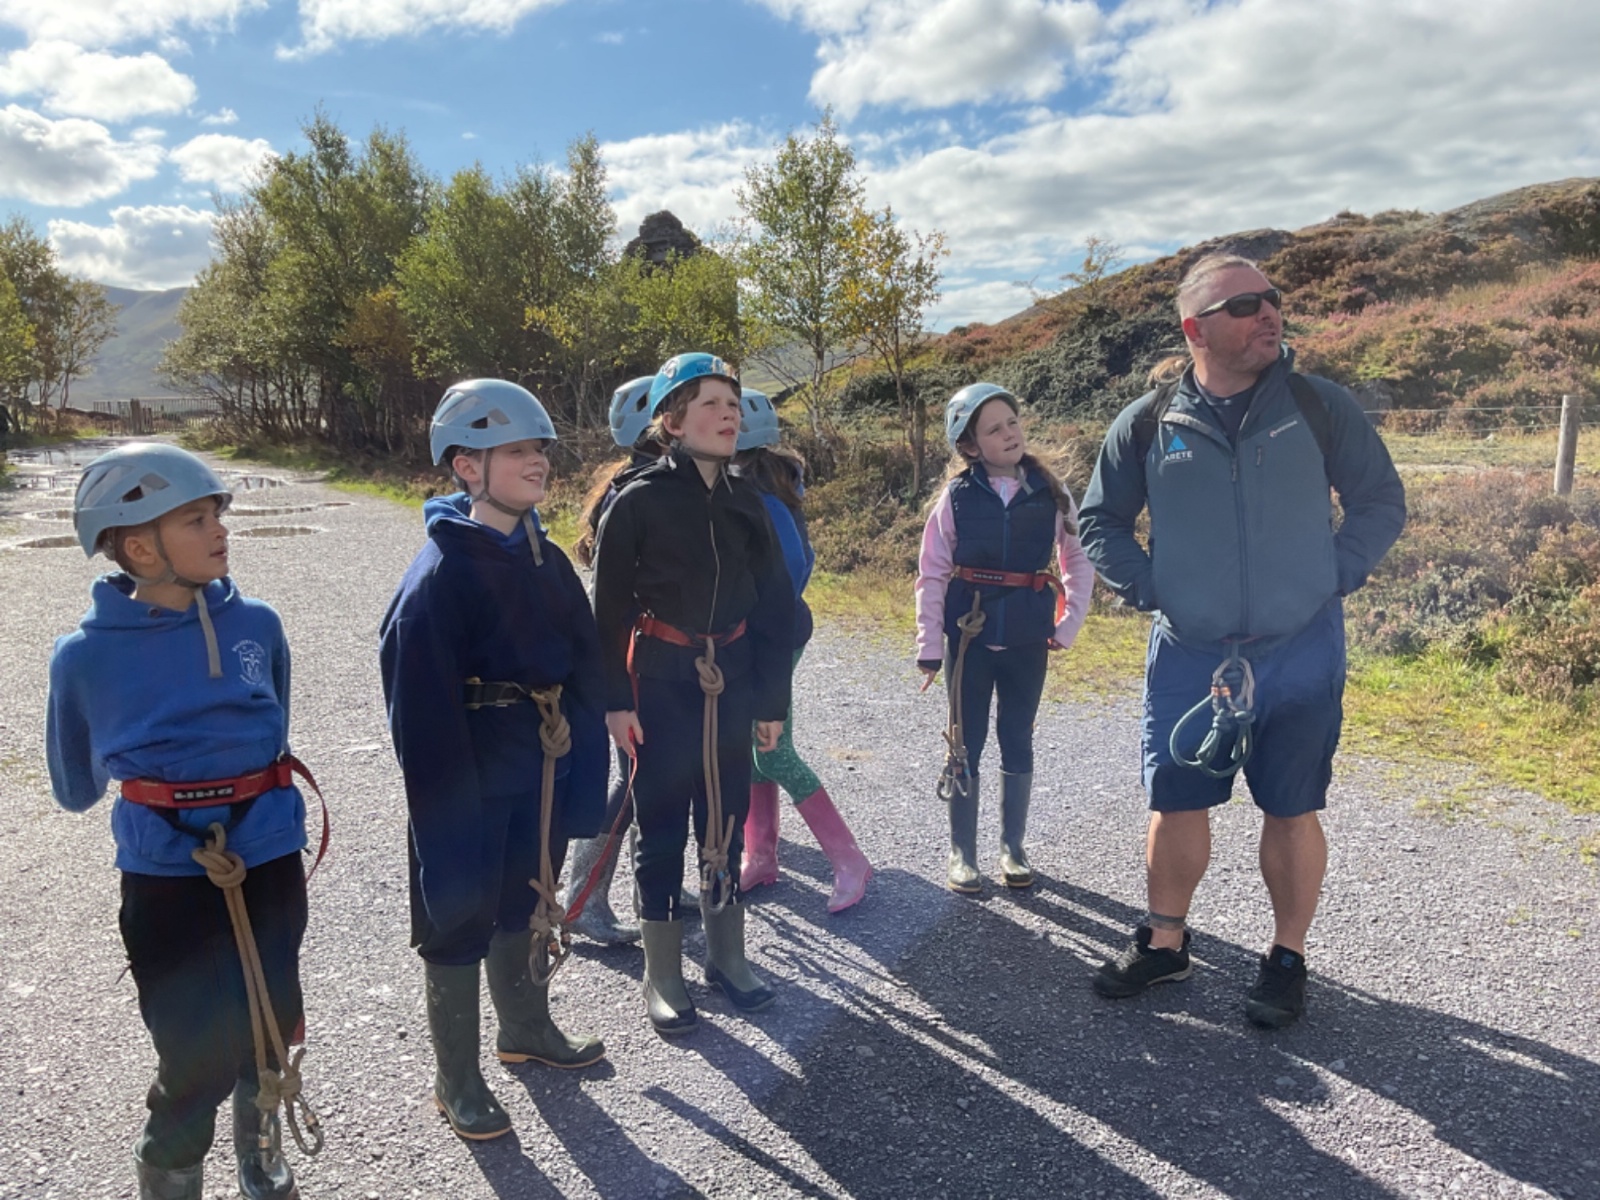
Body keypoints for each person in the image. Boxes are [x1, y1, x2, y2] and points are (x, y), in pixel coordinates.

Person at [1078, 253, 1406, 1029]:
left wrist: (1332, 575)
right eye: (1245, 304)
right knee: (1176, 799)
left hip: (1302, 647)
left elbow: (1380, 500)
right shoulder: (1150, 422)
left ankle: (1286, 958)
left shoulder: (1318, 405)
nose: (1269, 313)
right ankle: (1165, 943)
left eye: (1272, 298)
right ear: (1195, 330)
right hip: (1191, 652)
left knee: (1292, 806)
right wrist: (1155, 589)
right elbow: (1099, 521)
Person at [47, 442, 316, 1200]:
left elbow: (274, 729)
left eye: (217, 514)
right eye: (196, 519)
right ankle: (171, 1172)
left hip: (268, 855)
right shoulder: (83, 658)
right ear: (139, 547)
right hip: (167, 874)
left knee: (274, 1015)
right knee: (192, 1049)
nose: (220, 529)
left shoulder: (256, 624)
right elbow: (74, 787)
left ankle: (259, 1147)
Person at [379, 379, 609, 1142]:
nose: (537, 462)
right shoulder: (439, 576)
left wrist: (591, 752)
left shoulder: (546, 559)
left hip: (539, 771)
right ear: (466, 466)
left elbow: (585, 658)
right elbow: (418, 714)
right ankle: (457, 1081)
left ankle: (526, 1029)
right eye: (516, 451)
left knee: (527, 896)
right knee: (458, 913)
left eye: (539, 449)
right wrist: (443, 815)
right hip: (471, 778)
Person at [591, 352, 794, 1035]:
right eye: (711, 404)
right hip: (659, 684)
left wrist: (771, 702)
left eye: (733, 404)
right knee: (659, 826)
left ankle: (728, 957)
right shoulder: (637, 501)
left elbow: (776, 610)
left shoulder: (746, 504)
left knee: (726, 817)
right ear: (672, 423)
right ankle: (664, 973)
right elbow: (607, 613)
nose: (729, 415)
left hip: (730, 683)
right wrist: (615, 702)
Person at [915, 384, 1093, 894]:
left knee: (1017, 737)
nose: (1010, 433)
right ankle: (962, 853)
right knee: (965, 742)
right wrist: (929, 646)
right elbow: (932, 573)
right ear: (970, 446)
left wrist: (1068, 623)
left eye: (1012, 422)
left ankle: (1013, 848)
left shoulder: (1051, 492)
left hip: (1027, 638)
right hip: (967, 639)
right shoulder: (955, 498)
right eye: (994, 429)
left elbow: (1077, 560)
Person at [734, 388, 871, 913]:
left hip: (769, 637)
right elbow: (806, 559)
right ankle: (761, 854)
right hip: (771, 632)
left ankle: (848, 859)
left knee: (773, 749)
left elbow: (792, 566)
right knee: (754, 746)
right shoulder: (772, 479)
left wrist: (757, 619)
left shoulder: (755, 489)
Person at [560, 375, 669, 945]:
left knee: (649, 776)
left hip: (649, 653)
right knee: (633, 779)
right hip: (634, 655)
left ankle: (644, 890)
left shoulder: (651, 482)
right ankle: (582, 899)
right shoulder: (634, 493)